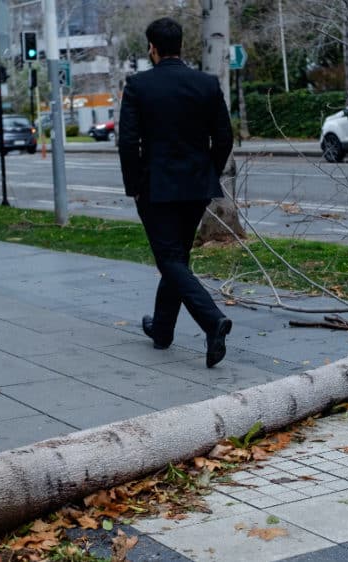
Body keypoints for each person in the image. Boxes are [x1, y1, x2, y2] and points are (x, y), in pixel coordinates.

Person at [118, 17, 234, 368]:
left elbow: (127, 142)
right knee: (177, 258)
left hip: (156, 188)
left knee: (169, 259)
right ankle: (162, 329)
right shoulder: (207, 84)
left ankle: (212, 320)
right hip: (197, 186)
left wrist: (134, 186)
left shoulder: (139, 86)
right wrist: (208, 172)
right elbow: (224, 137)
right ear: (181, 46)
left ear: (152, 48)